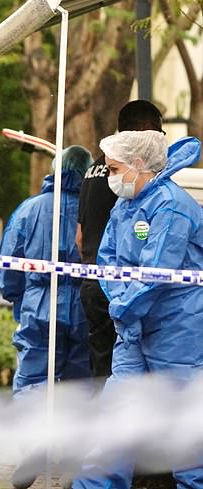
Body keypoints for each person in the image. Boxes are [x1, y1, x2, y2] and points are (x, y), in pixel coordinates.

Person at [71, 130, 203, 489]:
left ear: (138, 164)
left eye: (114, 168)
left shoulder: (173, 207)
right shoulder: (125, 205)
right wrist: (120, 301)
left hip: (178, 334)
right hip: (132, 331)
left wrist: (123, 305)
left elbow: (156, 271)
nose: (111, 177)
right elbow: (107, 258)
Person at [77, 100, 164, 382]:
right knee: (126, 374)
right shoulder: (131, 173)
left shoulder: (95, 167)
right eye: (158, 136)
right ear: (146, 133)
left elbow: (80, 236)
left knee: (101, 369)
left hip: (93, 280)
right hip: (123, 289)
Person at [0, 145, 93, 399]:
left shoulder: (29, 210)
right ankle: (75, 439)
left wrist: (19, 298)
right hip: (85, 307)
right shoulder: (94, 211)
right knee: (80, 388)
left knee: (33, 383)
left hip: (40, 305)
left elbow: (8, 267)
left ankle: (33, 439)